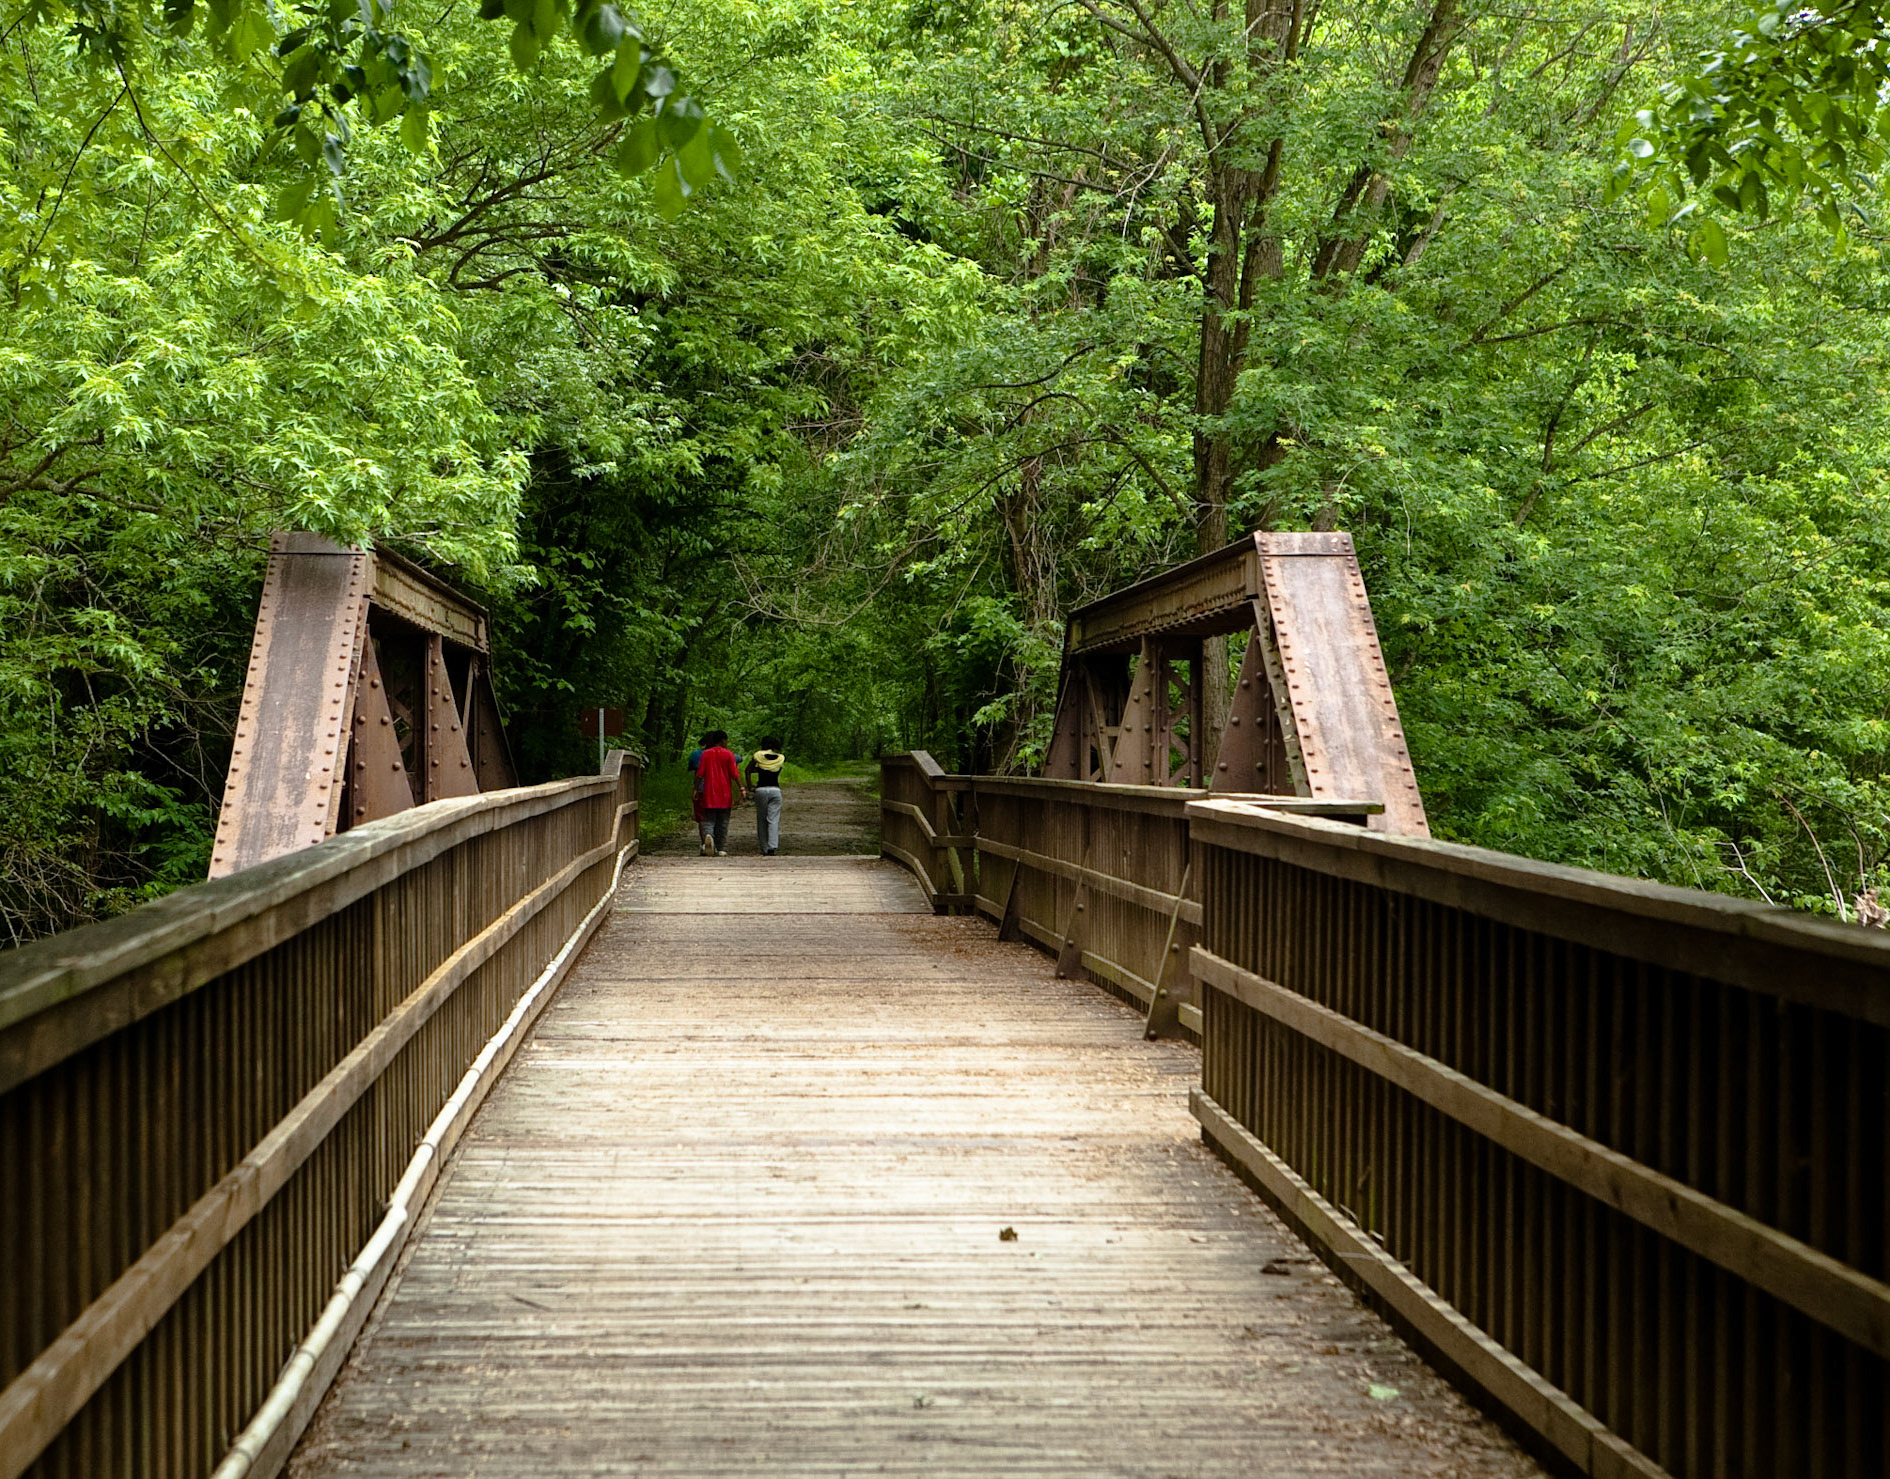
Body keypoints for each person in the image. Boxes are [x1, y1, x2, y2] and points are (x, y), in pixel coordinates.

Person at [694, 730, 745, 856]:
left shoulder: (706, 754)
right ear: (723, 740)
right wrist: (742, 788)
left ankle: (708, 839)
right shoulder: (729, 754)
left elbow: (700, 773)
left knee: (708, 819)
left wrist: (695, 788)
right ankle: (720, 847)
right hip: (724, 794)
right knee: (723, 821)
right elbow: (735, 774)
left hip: (709, 792)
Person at [745, 738, 786, 855]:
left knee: (761, 820)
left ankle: (764, 848)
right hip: (775, 790)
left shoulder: (758, 756)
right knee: (773, 820)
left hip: (761, 790)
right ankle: (773, 846)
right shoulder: (780, 758)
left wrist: (750, 787)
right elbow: (773, 769)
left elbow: (748, 770)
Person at [685, 733, 714, 854]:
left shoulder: (697, 754)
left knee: (702, 817)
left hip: (701, 788)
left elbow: (692, 767)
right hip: (718, 789)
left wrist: (695, 789)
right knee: (716, 815)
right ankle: (715, 842)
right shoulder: (725, 753)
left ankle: (704, 843)